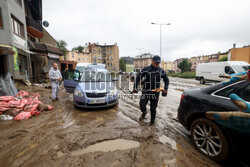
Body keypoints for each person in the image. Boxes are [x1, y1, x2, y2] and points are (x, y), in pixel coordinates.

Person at [133, 55, 169, 125]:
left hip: (156, 92)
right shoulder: (146, 69)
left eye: (158, 63)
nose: (157, 64)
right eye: (156, 63)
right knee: (142, 105)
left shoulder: (161, 71)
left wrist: (165, 89)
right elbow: (138, 78)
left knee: (153, 108)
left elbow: (167, 80)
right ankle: (144, 112)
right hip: (146, 91)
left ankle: (152, 123)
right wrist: (135, 87)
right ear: (152, 61)